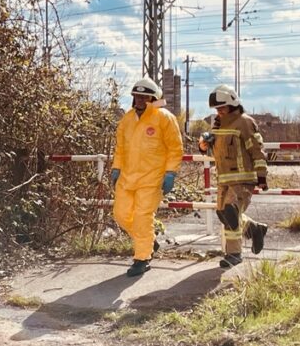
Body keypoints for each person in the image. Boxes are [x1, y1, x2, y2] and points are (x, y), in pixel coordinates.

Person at [110, 76, 183, 277]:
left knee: (142, 218)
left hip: (152, 178)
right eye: (137, 96)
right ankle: (149, 242)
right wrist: (116, 168)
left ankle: (142, 259)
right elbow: (120, 148)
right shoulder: (127, 119)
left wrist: (170, 173)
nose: (140, 100)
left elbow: (175, 148)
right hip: (127, 177)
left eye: (144, 97)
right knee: (121, 215)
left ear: (153, 98)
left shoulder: (164, 118)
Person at [198, 84, 268, 268]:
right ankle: (253, 228)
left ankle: (234, 254)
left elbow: (257, 150)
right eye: (217, 109)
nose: (219, 111)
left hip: (243, 180)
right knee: (224, 214)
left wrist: (262, 176)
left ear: (233, 104)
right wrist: (204, 146)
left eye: (222, 107)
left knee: (230, 212)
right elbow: (217, 153)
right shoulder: (218, 125)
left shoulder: (245, 122)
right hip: (224, 180)